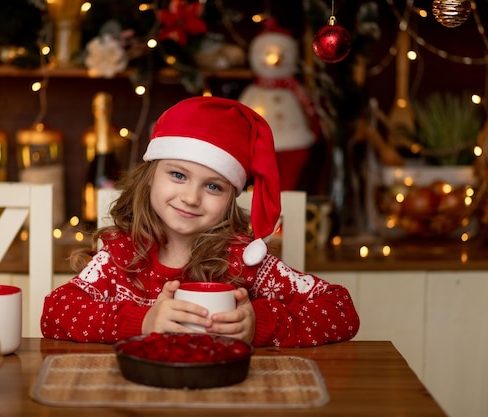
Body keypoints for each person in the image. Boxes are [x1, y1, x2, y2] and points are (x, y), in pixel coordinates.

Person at [41, 96, 359, 347]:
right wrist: (142, 322)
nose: (191, 197)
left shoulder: (245, 261)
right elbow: (55, 313)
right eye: (178, 175)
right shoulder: (122, 256)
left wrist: (259, 325)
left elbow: (340, 310)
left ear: (230, 198)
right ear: (150, 177)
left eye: (213, 186)